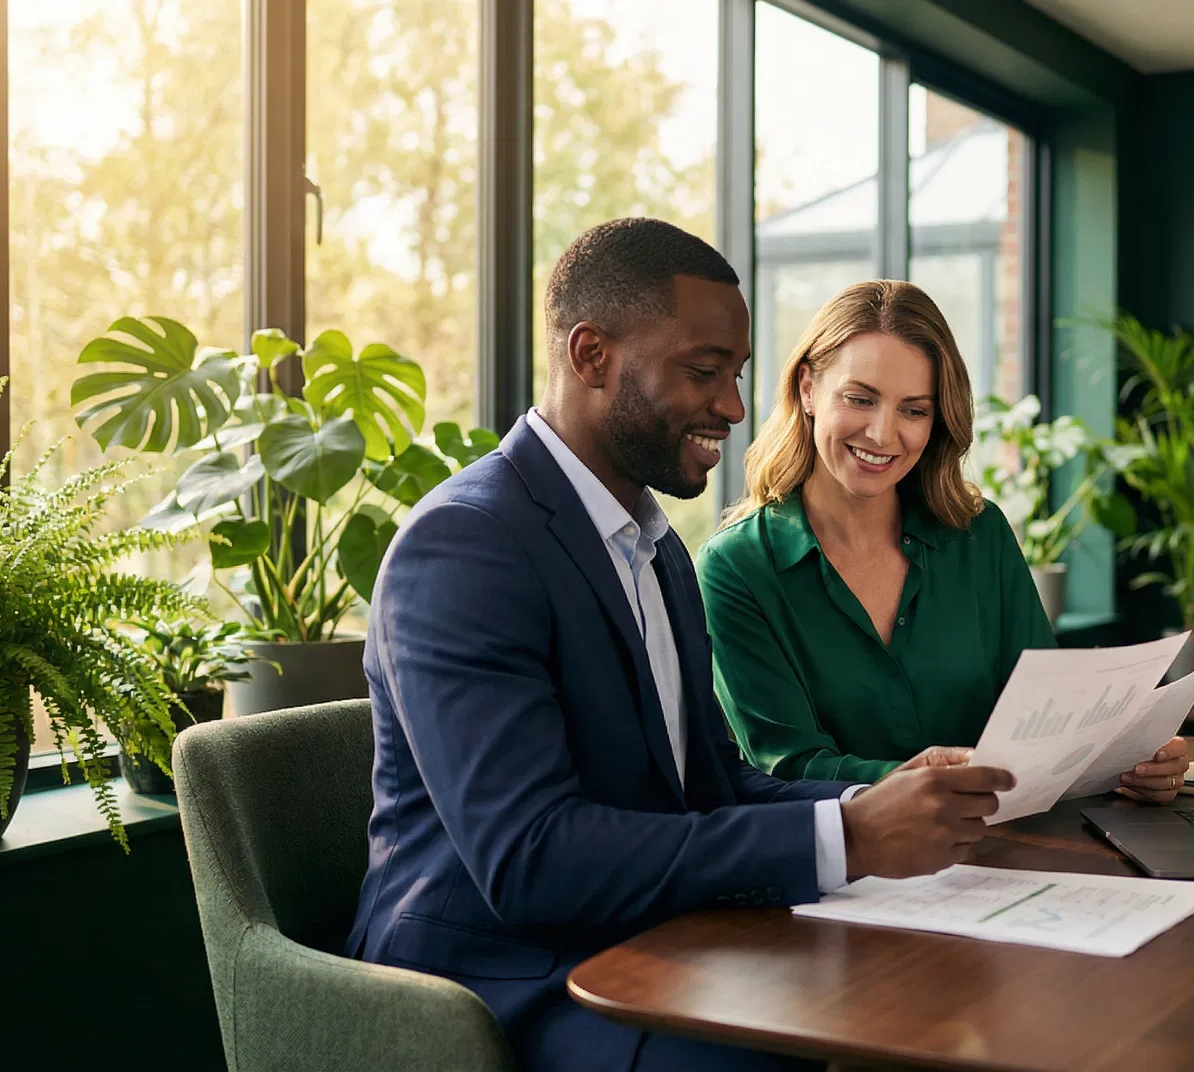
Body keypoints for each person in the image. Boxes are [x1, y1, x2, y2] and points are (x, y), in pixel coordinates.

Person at [344, 220, 1015, 1072]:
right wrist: (845, 840)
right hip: (499, 979)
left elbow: (711, 781)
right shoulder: (465, 546)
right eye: (703, 373)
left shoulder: (655, 548)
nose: (735, 407)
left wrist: (865, 810)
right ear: (592, 356)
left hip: (649, 938)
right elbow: (530, 858)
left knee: (920, 1002)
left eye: (734, 376)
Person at [697, 280, 1189, 796]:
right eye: (860, 399)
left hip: (1012, 846)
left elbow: (1051, 718)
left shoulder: (980, 536)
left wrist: (1127, 764)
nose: (883, 435)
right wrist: (917, 781)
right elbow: (788, 765)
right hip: (853, 861)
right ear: (807, 389)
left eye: (914, 410)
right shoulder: (737, 568)